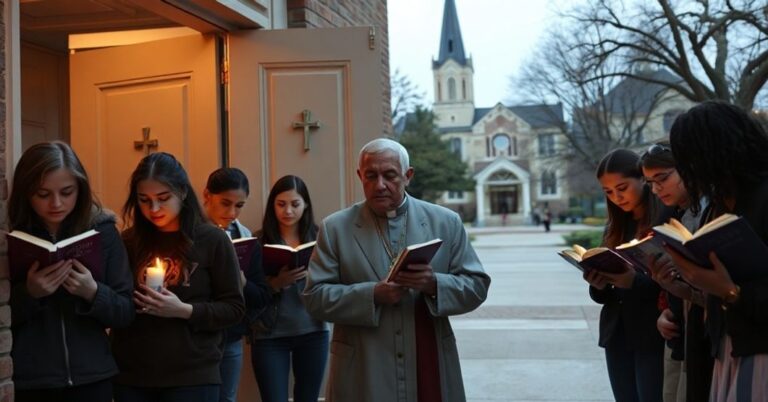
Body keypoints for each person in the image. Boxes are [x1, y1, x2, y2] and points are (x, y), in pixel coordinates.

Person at [303, 138, 491, 402]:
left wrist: (434, 284)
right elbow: (314, 298)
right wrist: (372, 295)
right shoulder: (336, 228)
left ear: (408, 175)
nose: (380, 185)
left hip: (428, 356)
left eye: (390, 175)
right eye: (371, 176)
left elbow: (477, 286)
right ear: (360, 176)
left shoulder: (445, 222)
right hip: (363, 367)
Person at [111, 152, 245, 402]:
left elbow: (234, 308)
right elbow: (117, 302)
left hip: (192, 375)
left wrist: (184, 310)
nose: (153, 209)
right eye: (144, 200)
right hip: (133, 374)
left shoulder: (211, 240)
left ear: (182, 192)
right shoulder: (128, 241)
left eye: (163, 198)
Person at [8, 141, 134, 402]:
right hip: (32, 380)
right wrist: (30, 294)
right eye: (43, 194)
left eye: (67, 192)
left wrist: (93, 292)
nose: (56, 203)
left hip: (92, 376)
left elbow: (126, 312)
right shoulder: (12, 237)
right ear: (26, 192)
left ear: (81, 189)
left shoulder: (104, 231)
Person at [665, 101, 768, 401]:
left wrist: (730, 291)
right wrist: (682, 280)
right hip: (727, 345)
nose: (691, 171)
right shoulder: (722, 202)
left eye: (693, 158)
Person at [584, 148, 666, 402]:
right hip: (617, 332)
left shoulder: (665, 221)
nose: (616, 197)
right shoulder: (614, 226)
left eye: (622, 187)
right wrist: (598, 284)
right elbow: (606, 295)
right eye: (608, 192)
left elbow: (677, 283)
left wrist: (634, 282)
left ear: (643, 179)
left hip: (653, 332)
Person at [640, 142, 712, 402]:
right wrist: (667, 306)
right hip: (679, 331)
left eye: (662, 178)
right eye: (649, 183)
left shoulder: (709, 211)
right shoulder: (671, 213)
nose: (656, 188)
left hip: (706, 336)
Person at [250, 175, 329, 402]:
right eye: (281, 204)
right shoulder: (258, 241)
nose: (288, 211)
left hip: (313, 331)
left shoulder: (320, 238)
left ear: (305, 205)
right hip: (269, 334)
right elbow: (248, 291)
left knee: (308, 397)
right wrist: (275, 284)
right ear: (272, 205)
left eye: (295, 204)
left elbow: (334, 279)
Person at [203, 167, 272, 402]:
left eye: (239, 205)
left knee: (227, 398)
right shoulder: (192, 233)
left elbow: (261, 295)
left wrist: (242, 281)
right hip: (197, 338)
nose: (232, 212)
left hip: (231, 337)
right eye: (225, 203)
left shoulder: (244, 237)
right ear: (206, 196)